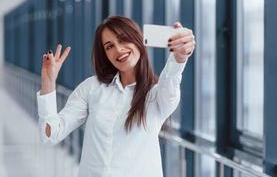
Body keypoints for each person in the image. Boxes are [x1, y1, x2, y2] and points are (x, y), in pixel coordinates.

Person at [36, 16, 196, 177]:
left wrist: (179, 57)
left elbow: (171, 79)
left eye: (123, 39)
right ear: (105, 55)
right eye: (109, 46)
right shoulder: (92, 88)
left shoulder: (156, 95)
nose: (118, 49)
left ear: (138, 39)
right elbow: (50, 135)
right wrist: (48, 81)